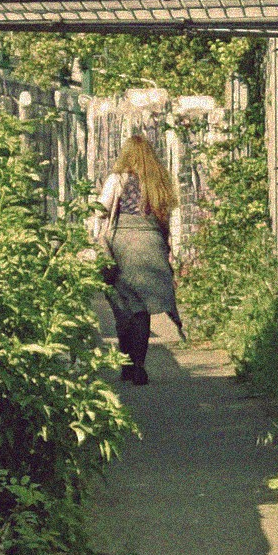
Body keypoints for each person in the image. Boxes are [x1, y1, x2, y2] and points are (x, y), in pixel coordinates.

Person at [93, 115, 179, 384]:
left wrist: (96, 240)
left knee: (122, 308)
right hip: (151, 245)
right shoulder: (158, 182)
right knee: (142, 310)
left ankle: (126, 364)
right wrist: (167, 250)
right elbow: (165, 219)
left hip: (122, 247)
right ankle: (139, 365)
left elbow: (101, 210)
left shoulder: (117, 179)